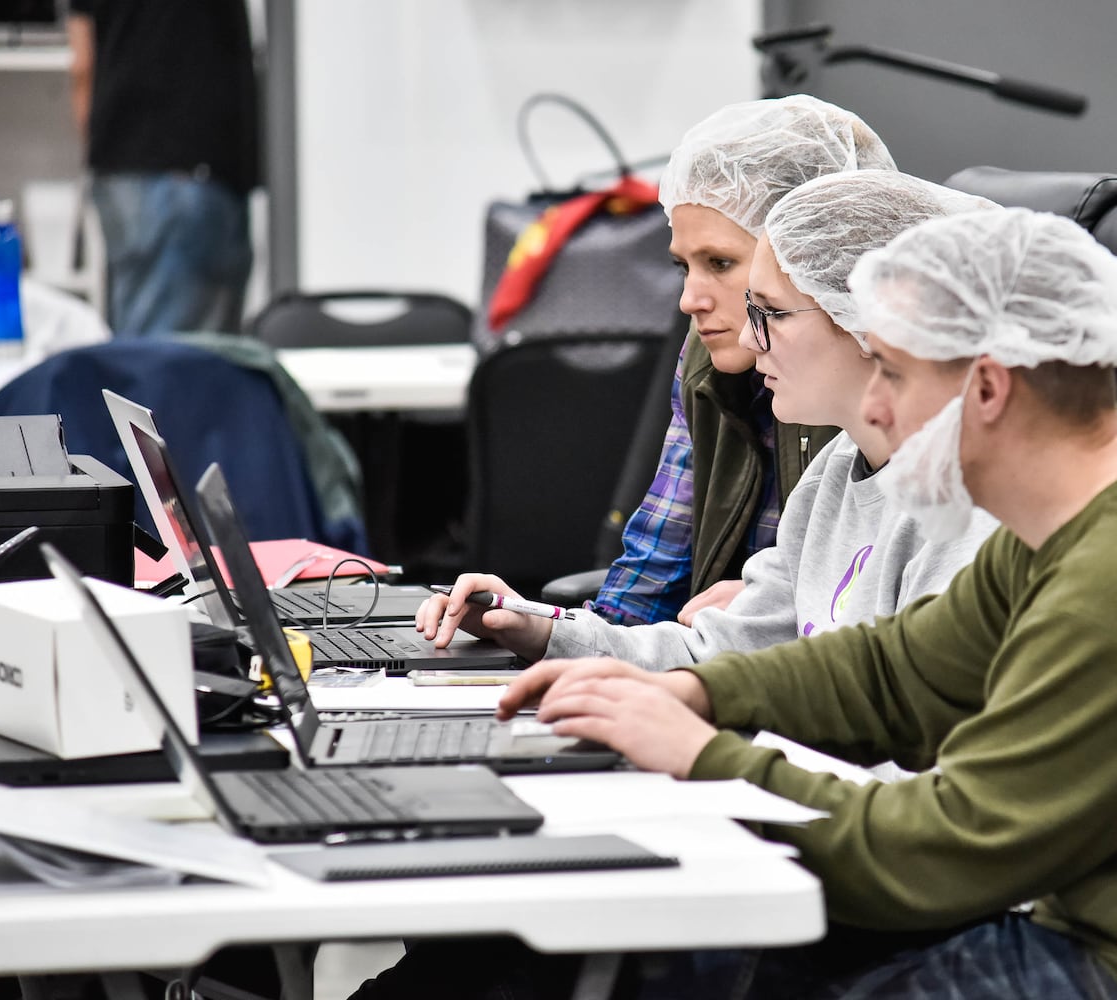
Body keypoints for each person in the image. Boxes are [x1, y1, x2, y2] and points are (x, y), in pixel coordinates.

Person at [357, 206, 1117, 999]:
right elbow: (893, 669)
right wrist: (693, 692)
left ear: (986, 388)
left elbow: (933, 853)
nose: (874, 406)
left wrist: (699, 752)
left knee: (699, 967)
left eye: (891, 373)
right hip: (1113, 936)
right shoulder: (1086, 514)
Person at [420, 171, 1000, 678]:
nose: (750, 338)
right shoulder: (837, 470)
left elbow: (910, 748)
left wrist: (706, 753)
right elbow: (718, 653)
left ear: (872, 324)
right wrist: (540, 632)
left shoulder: (967, 516)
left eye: (768, 314)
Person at [585, 95, 895, 627]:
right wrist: (557, 639)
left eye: (721, 263)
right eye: (684, 266)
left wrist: (777, 602)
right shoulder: (706, 351)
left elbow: (882, 608)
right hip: (721, 669)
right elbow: (654, 571)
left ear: (819, 258)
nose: (690, 299)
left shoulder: (863, 383)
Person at [67, 0, 258, 338]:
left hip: (127, 168)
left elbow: (82, 60)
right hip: (188, 167)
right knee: (178, 366)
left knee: (149, 358)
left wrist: (105, 154)